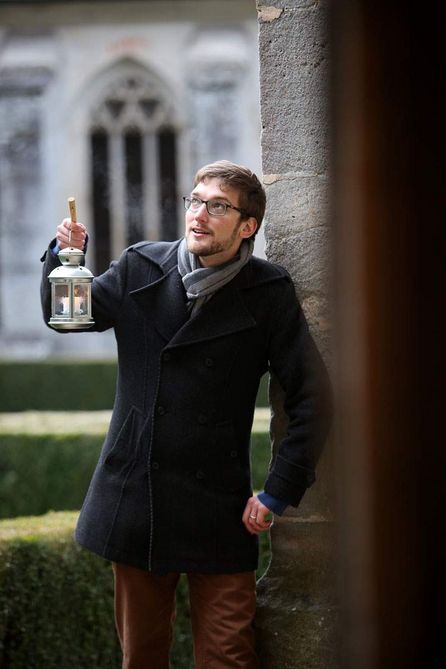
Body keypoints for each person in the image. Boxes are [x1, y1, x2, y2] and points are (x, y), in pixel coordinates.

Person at [40, 160, 331, 669]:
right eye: (195, 201)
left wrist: (278, 490)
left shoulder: (268, 292)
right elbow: (68, 319)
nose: (198, 215)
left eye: (217, 206)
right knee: (142, 658)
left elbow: (313, 397)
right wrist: (66, 258)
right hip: (137, 499)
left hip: (219, 509)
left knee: (228, 656)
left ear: (247, 226)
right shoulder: (139, 268)